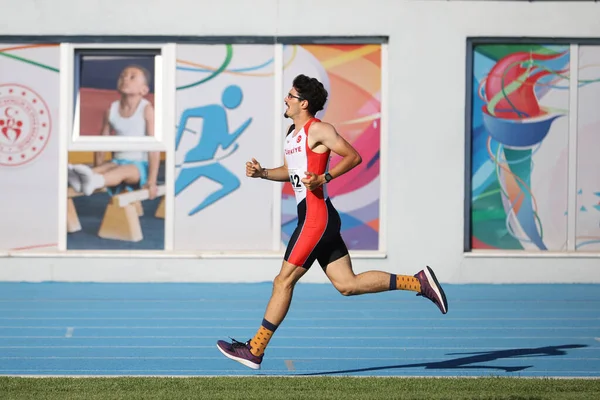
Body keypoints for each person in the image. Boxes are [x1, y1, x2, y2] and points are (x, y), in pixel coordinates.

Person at [216, 74, 448, 370]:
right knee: (347, 284)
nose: (285, 100)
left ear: (304, 103)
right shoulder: (292, 133)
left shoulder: (320, 130)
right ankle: (418, 281)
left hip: (317, 216)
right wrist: (263, 173)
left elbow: (353, 156)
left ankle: (255, 349)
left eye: (290, 96)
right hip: (316, 216)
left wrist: (324, 177)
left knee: (282, 281)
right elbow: (290, 171)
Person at [68, 64, 159, 199]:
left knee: (121, 171)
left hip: (140, 166)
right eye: (122, 76)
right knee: (99, 170)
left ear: (144, 90)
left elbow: (154, 147)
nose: (125, 79)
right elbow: (102, 144)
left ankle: (94, 180)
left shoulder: (146, 109)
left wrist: (152, 180)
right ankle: (83, 179)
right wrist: (98, 167)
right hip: (117, 161)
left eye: (132, 77)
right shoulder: (111, 110)